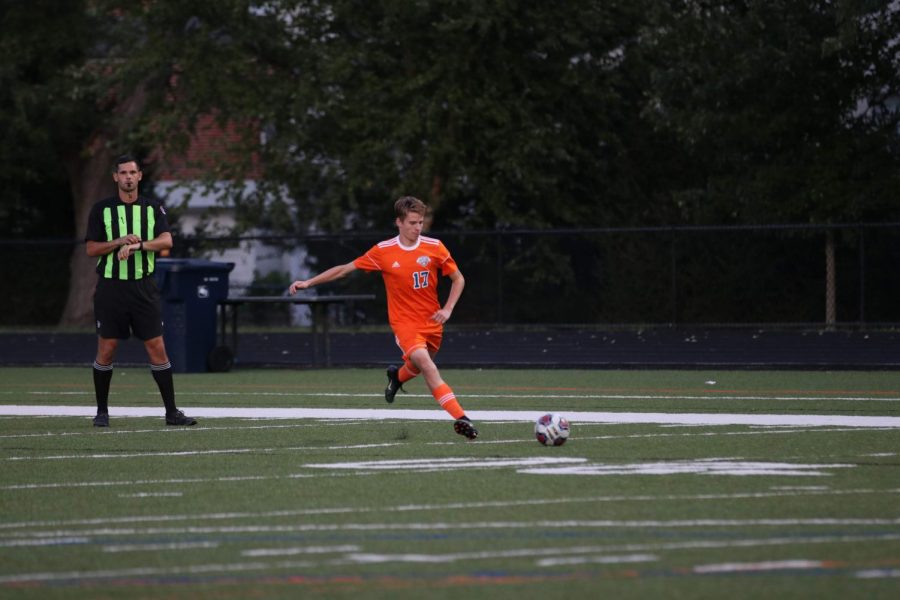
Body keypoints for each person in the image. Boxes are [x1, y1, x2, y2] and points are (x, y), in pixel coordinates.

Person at [289, 196, 478, 440]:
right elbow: (345, 269)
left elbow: (458, 279)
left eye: (420, 222)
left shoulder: (434, 247)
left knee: (419, 367)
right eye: (412, 222)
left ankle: (396, 377)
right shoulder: (384, 251)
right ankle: (462, 419)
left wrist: (449, 308)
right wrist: (309, 282)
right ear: (398, 222)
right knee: (428, 367)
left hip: (432, 321)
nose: (417, 228)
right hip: (404, 324)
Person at [84, 154, 196, 427]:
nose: (128, 177)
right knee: (107, 349)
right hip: (111, 288)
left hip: (143, 288)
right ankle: (102, 412)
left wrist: (137, 245)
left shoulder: (153, 208)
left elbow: (166, 240)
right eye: (123, 173)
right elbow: (91, 249)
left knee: (157, 348)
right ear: (115, 177)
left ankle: (171, 412)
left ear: (140, 176)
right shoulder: (102, 210)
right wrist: (119, 241)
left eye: (132, 172)